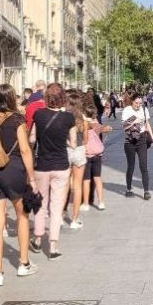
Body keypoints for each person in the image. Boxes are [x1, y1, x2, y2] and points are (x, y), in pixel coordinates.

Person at [0, 84, 38, 285]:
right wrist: (32, 178)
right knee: (22, 216)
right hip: (15, 170)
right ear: (11, 98)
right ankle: (24, 264)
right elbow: (26, 151)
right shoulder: (17, 119)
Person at [30, 83, 76, 261]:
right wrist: (61, 140)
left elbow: (32, 138)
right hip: (61, 166)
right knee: (57, 207)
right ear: (62, 97)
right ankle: (53, 246)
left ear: (47, 97)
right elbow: (72, 143)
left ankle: (37, 238)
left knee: (41, 204)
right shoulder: (68, 118)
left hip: (42, 165)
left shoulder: (38, 115)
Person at [122, 93, 153, 200]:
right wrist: (133, 121)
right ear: (132, 101)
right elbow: (124, 126)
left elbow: (147, 124)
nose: (138, 105)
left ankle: (146, 191)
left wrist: (152, 138)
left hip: (142, 139)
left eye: (140, 103)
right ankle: (129, 188)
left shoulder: (144, 109)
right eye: (136, 103)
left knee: (143, 166)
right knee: (131, 166)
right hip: (130, 140)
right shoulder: (127, 110)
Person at [66, 93, 89, 229]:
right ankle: (74, 219)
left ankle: (61, 214)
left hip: (66, 151)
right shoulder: (83, 120)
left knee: (63, 184)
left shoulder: (64, 118)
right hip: (79, 150)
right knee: (78, 185)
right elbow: (86, 140)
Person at [82, 105, 111, 210]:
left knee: (86, 180)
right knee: (98, 178)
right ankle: (101, 202)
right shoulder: (96, 125)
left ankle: (85, 203)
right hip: (97, 155)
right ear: (94, 114)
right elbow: (106, 128)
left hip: (87, 154)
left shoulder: (83, 125)